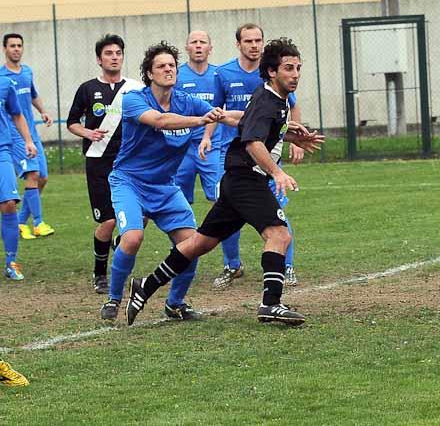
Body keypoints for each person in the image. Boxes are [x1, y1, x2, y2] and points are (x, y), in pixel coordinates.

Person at [126, 38, 323, 326]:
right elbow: (253, 141)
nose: (295, 74)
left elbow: (253, 126)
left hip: (236, 180)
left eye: (298, 68)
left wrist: (290, 135)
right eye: (288, 68)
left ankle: (145, 286)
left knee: (199, 244)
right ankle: (271, 304)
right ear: (271, 71)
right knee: (279, 235)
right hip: (246, 180)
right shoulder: (268, 100)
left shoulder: (275, 100)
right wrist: (278, 173)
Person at [99, 42, 229, 322]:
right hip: (129, 182)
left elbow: (218, 115)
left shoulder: (187, 101)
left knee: (192, 245)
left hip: (165, 186)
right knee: (132, 238)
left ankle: (175, 303)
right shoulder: (135, 98)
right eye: (161, 66)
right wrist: (199, 121)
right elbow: (160, 120)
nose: (168, 69)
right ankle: (113, 297)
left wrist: (280, 127)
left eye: (172, 65)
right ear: (149, 73)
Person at [205, 23, 304, 290]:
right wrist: (207, 137)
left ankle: (286, 267)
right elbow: (219, 111)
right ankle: (232, 265)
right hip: (236, 154)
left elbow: (290, 109)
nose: (254, 45)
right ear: (238, 44)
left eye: (258, 39)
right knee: (229, 216)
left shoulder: (277, 72)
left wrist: (293, 139)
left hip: (266, 155)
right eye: (248, 40)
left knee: (277, 217)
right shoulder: (224, 73)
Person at [66, 34, 142, 294]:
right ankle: (100, 274)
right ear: (99, 59)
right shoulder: (87, 89)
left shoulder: (135, 88)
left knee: (138, 216)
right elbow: (72, 122)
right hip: (98, 161)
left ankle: (122, 252)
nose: (114, 57)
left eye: (118, 53)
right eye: (109, 53)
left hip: (129, 162)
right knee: (107, 222)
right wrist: (87, 133)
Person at [0, 33, 55, 240]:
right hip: (15, 135)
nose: (16, 49)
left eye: (19, 45)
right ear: (4, 49)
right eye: (12, 45)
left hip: (31, 132)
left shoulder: (27, 72)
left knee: (42, 178)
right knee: (32, 175)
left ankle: (21, 222)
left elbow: (32, 94)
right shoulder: (2, 78)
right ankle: (38, 223)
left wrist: (43, 111)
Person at [174, 31, 221, 206]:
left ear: (210, 48)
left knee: (221, 197)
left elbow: (221, 110)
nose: (199, 45)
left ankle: (220, 234)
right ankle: (185, 233)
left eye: (203, 42)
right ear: (187, 47)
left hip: (212, 147)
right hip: (182, 148)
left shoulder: (219, 74)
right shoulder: (176, 76)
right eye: (194, 42)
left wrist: (207, 136)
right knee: (177, 200)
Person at [1, 70, 37, 280]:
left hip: (2, 149)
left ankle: (10, 262)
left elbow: (17, 114)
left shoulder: (5, 84)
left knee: (8, 203)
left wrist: (28, 140)